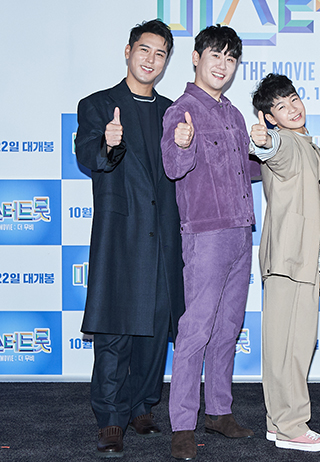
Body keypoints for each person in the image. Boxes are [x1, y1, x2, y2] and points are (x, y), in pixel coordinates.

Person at [76, 19, 184, 458]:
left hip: (164, 238)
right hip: (121, 237)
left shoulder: (173, 112)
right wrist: (108, 143)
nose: (151, 60)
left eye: (160, 54)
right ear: (128, 51)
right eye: (144, 50)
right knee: (115, 332)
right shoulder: (98, 105)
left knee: (155, 331)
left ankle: (142, 406)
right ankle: (110, 417)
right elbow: (89, 155)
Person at [161, 25, 257, 460]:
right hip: (205, 234)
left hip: (241, 231)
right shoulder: (181, 111)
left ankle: (219, 411)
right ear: (196, 58)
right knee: (196, 329)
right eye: (215, 55)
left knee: (228, 327)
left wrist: (269, 146)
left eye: (230, 58)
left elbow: (248, 171)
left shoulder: (234, 114)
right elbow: (173, 166)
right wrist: (182, 144)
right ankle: (183, 423)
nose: (222, 65)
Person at [250, 73, 320, 452]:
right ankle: (290, 426)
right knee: (287, 349)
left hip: (302, 262)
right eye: (281, 107)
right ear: (270, 118)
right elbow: (274, 151)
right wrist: (265, 141)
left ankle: (280, 424)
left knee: (295, 347)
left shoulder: (310, 146)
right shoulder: (285, 142)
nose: (292, 108)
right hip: (287, 260)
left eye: (294, 99)